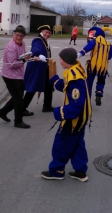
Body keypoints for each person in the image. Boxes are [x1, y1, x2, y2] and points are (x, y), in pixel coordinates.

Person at [42, 47, 92, 182]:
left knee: (61, 143)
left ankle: (57, 170)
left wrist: (60, 112)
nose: (59, 61)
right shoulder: (75, 69)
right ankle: (81, 171)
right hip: (81, 118)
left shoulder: (75, 77)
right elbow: (66, 86)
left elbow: (76, 103)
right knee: (77, 143)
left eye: (60, 59)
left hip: (74, 119)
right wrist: (56, 81)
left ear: (65, 61)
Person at [0, 25, 33, 128]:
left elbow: (23, 55)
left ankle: (2, 112)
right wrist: (24, 60)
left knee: (18, 97)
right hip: (9, 75)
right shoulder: (11, 47)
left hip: (18, 75)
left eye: (21, 36)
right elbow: (12, 65)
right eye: (17, 35)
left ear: (24, 36)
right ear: (13, 34)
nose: (19, 37)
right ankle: (18, 121)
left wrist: (30, 57)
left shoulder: (22, 44)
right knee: (18, 99)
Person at [77, 26, 112, 106]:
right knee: (101, 81)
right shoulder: (109, 44)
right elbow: (109, 57)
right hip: (103, 67)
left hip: (92, 65)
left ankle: (88, 98)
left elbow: (87, 48)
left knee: (89, 82)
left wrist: (81, 53)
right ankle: (99, 94)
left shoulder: (94, 41)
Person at [23, 25, 54, 112]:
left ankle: (47, 106)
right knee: (33, 86)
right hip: (37, 67)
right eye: (46, 32)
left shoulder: (45, 40)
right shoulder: (37, 40)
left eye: (49, 33)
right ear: (42, 31)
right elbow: (35, 49)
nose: (47, 34)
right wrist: (39, 54)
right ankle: (22, 107)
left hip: (44, 67)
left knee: (49, 85)